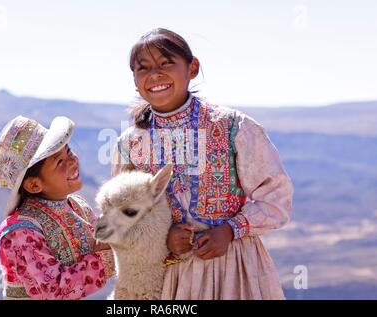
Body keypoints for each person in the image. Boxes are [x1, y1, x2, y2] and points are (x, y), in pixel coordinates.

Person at [112, 28, 293, 299]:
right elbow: (121, 218)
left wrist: (231, 230)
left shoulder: (234, 127)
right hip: (168, 278)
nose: (155, 74)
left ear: (192, 67)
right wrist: (163, 237)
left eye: (166, 63)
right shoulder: (130, 145)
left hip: (234, 271)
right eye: (143, 68)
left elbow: (277, 198)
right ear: (135, 79)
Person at [0, 115, 115, 299]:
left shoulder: (78, 206)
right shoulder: (19, 232)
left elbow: (104, 240)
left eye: (69, 152)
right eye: (59, 161)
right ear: (34, 185)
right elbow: (53, 290)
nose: (72, 161)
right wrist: (106, 257)